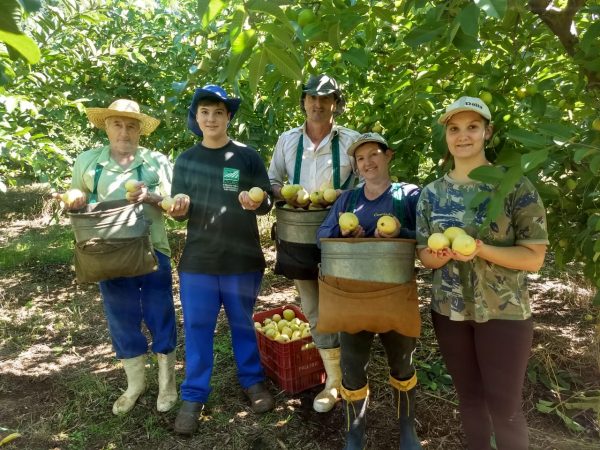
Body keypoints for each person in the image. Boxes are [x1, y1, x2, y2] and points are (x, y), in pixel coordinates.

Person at [416, 96, 548, 450]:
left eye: (472, 127)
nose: (463, 136)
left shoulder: (514, 186)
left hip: (504, 313)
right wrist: (440, 256)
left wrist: (481, 249)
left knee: (505, 409)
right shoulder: (431, 194)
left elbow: (534, 257)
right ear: (446, 135)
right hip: (449, 312)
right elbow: (424, 258)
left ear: (487, 132)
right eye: (454, 128)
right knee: (470, 401)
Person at [58, 99, 178, 415]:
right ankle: (135, 384)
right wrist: (75, 200)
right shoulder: (88, 162)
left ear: (140, 130)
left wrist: (150, 196)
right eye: (117, 124)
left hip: (152, 250)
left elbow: (176, 206)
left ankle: (167, 383)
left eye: (131, 125)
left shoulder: (156, 162)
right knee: (121, 319)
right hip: (106, 254)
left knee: (159, 312)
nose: (124, 131)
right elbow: (75, 197)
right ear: (107, 127)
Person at [168, 84, 275, 435]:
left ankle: (253, 381)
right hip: (198, 260)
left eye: (218, 112)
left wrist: (258, 203)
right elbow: (178, 211)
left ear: (229, 117)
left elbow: (268, 201)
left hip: (241, 258)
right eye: (204, 112)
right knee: (198, 328)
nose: (211, 118)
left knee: (243, 323)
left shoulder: (247, 156)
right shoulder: (186, 160)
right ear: (196, 118)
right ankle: (194, 395)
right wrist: (179, 208)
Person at [316, 132, 422, 449]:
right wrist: (345, 231)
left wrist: (400, 232)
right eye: (360, 158)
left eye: (373, 154)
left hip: (395, 295)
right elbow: (321, 236)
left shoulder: (408, 195)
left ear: (388, 156)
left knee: (403, 364)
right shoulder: (347, 200)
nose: (367, 162)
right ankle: (355, 433)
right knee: (352, 366)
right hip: (352, 296)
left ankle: (407, 430)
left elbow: (429, 238)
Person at [267, 74, 360, 413]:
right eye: (311, 97)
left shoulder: (352, 141)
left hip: (341, 237)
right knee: (314, 307)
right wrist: (292, 196)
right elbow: (273, 181)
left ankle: (353, 375)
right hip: (299, 235)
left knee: (346, 306)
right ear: (303, 101)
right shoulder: (288, 140)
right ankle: (333, 380)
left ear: (336, 102)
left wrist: (341, 200)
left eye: (326, 98)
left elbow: (368, 184)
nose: (317, 104)